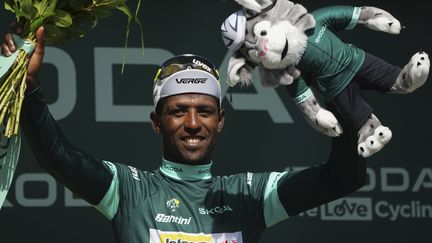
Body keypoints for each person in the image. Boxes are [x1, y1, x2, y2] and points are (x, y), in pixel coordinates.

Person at [2, 26, 366, 243]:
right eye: (178, 111)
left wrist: (338, 96)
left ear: (220, 120)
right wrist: (30, 87)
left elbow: (343, 177)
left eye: (205, 111)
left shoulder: (250, 195)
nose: (193, 123)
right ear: (156, 121)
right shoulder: (129, 191)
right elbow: (57, 156)